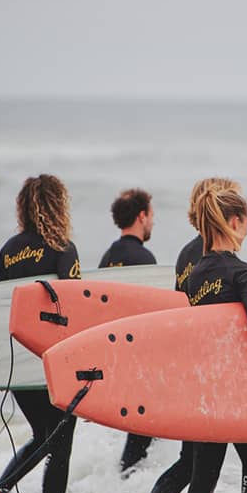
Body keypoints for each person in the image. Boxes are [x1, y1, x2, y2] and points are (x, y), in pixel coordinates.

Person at [127, 178, 247, 493]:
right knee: (246, 468)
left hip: (195, 376)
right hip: (229, 382)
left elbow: (183, 318)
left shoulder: (185, 258)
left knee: (193, 466)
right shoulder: (224, 262)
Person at [0, 174, 81, 493]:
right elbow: (75, 306)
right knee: (60, 443)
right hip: (51, 361)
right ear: (58, 205)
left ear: (24, 207)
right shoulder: (63, 248)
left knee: (44, 435)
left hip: (18, 362)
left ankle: (1, 491)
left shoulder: (8, 251)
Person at [97, 188, 158, 475]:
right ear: (141, 215)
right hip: (137, 358)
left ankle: (122, 485)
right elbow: (153, 315)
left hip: (111, 357)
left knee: (140, 434)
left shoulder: (106, 258)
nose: (152, 223)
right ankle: (127, 487)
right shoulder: (145, 259)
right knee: (145, 434)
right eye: (151, 216)